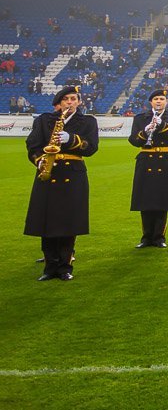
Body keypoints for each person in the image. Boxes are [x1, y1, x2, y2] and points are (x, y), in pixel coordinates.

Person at [25, 85, 98, 281]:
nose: (70, 102)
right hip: (47, 173)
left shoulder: (88, 121)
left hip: (73, 176)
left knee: (69, 222)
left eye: (74, 99)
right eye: (66, 99)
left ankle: (65, 266)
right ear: (59, 103)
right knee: (47, 221)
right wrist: (39, 160)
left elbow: (91, 147)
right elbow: (32, 144)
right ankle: (50, 266)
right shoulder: (44, 120)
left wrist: (71, 139)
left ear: (79, 102)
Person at [128, 88, 168, 248]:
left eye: (162, 99)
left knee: (162, 200)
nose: (158, 101)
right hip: (146, 161)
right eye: (156, 99)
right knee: (146, 200)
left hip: (165, 161)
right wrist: (145, 131)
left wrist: (162, 125)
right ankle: (146, 236)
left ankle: (159, 237)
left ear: (166, 102)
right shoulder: (141, 118)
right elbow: (134, 140)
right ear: (151, 102)